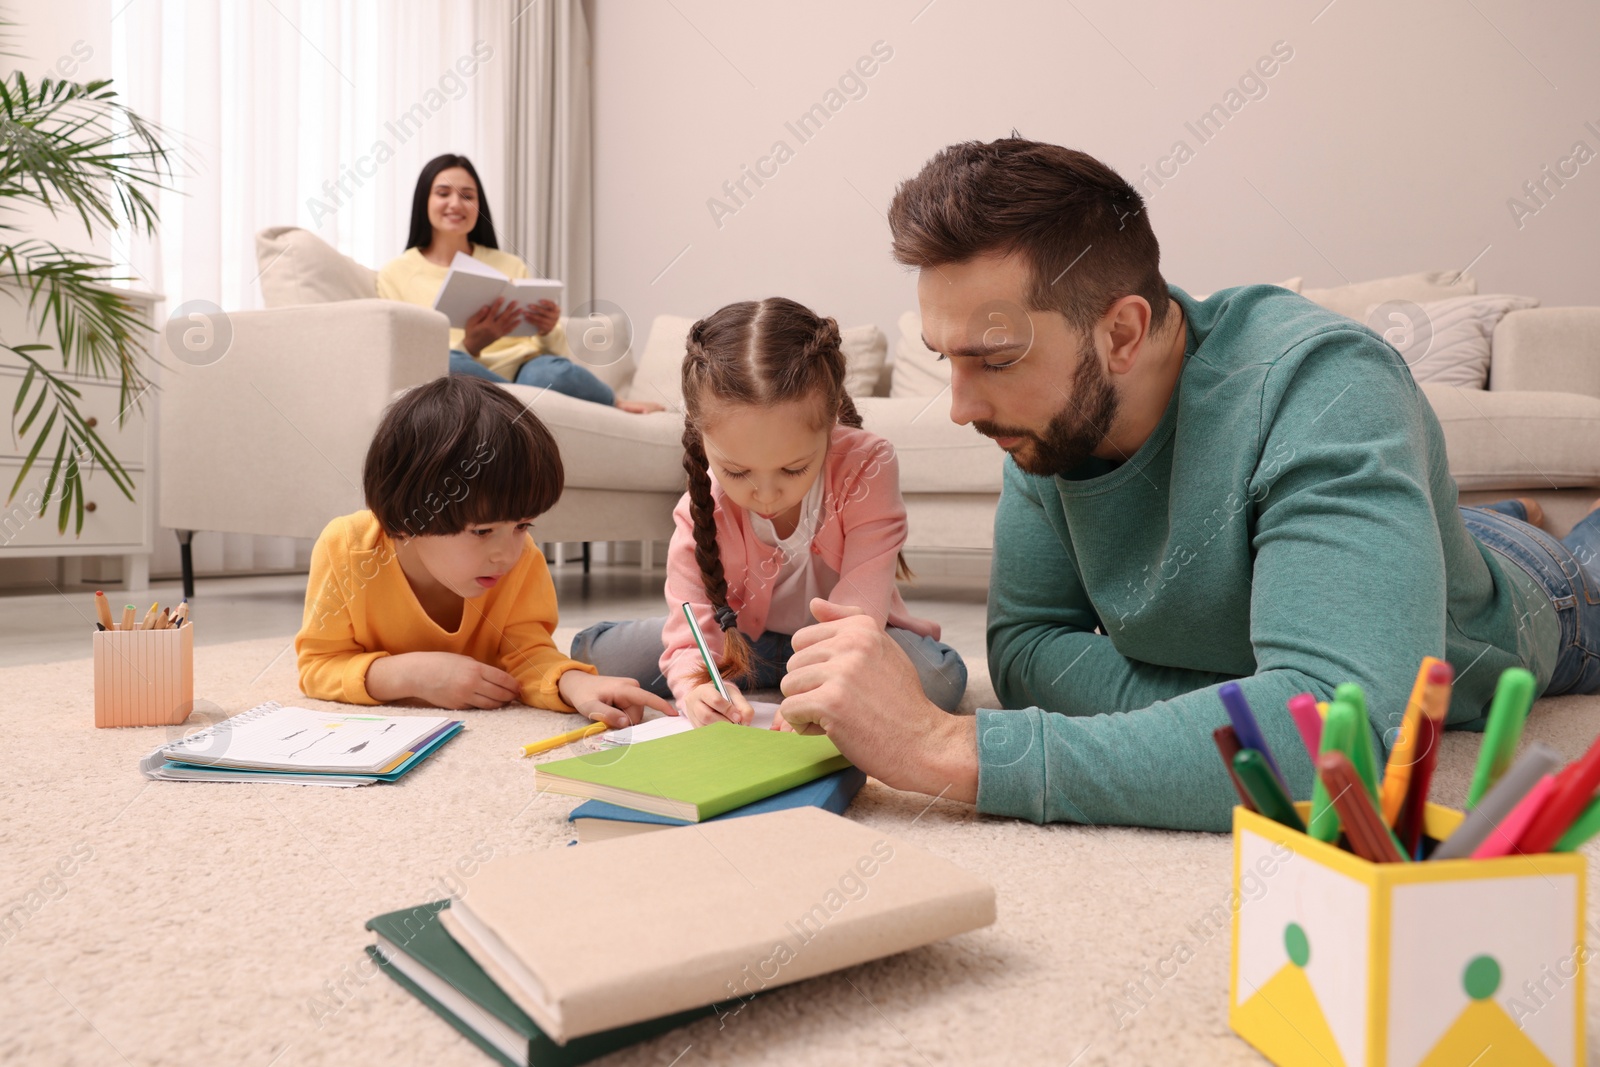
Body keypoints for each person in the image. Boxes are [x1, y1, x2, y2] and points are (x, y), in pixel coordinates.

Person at [775, 137, 1600, 832]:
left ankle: (1537, 535)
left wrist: (946, 747)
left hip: (1535, 603)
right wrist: (1264, 702)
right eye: (946, 356)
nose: (960, 407)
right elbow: (1025, 651)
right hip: (1376, 553)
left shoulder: (1327, 387)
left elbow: (1341, 749)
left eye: (993, 360)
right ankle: (1458, 524)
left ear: (1123, 331)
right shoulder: (1042, 423)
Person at [570, 297, 967, 727]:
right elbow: (693, 628)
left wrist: (819, 689)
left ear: (832, 421)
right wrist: (697, 689)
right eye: (737, 471)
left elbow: (858, 612)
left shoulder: (868, 465)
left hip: (846, 635)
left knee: (938, 681)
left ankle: (786, 670)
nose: (765, 493)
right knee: (600, 653)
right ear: (702, 438)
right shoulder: (702, 504)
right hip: (740, 642)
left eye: (793, 468)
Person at [295, 376, 674, 727]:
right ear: (410, 517)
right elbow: (319, 666)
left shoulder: (522, 557)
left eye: (522, 525)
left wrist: (574, 684)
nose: (506, 554)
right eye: (482, 531)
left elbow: (527, 653)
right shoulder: (347, 548)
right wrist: (410, 675)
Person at [377, 153, 661, 413]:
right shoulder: (395, 273)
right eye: (443, 193)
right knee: (447, 367)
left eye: (467, 195)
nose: (455, 203)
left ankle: (613, 402)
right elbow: (403, 354)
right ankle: (520, 405)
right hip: (461, 368)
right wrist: (471, 344)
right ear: (423, 200)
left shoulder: (510, 265)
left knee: (550, 373)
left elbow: (553, 352)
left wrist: (549, 328)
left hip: (527, 369)